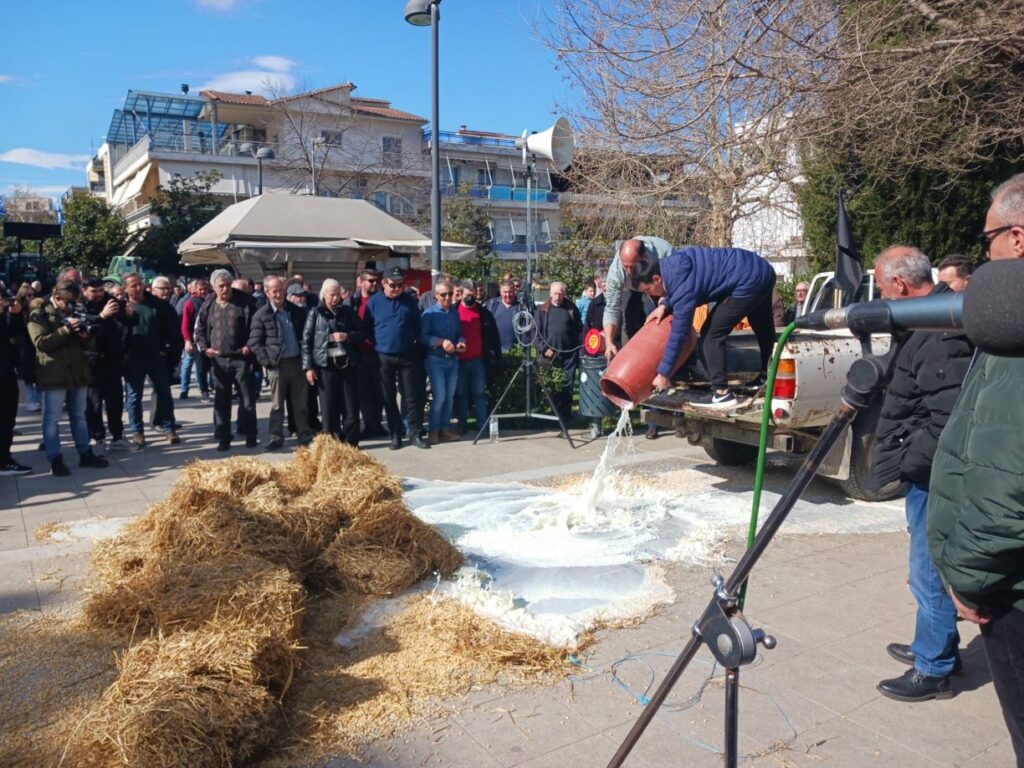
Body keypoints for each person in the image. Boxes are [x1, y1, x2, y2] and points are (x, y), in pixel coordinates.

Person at [928, 173, 1024, 764]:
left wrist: (969, 578)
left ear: (1017, 238)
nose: (983, 251)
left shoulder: (1013, 329)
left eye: (986, 238)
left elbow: (1005, 478)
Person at [869, 246, 973, 703]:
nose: (877, 293)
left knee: (927, 569)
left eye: (878, 284)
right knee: (925, 568)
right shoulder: (929, 321)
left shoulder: (942, 332)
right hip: (925, 471)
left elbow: (946, 417)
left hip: (933, 474)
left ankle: (934, 669)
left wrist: (909, 459)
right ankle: (936, 643)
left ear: (899, 286)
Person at [634, 246, 777, 409]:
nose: (649, 295)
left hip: (747, 281)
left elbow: (678, 334)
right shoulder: (672, 264)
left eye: (648, 290)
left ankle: (722, 394)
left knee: (710, 335)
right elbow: (684, 284)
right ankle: (770, 377)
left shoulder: (682, 288)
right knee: (763, 327)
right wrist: (665, 305)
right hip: (762, 269)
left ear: (657, 278)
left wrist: (663, 373)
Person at [26, 281, 108, 475]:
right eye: (68, 302)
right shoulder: (40, 314)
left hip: (77, 373)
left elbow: (90, 344)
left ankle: (85, 453)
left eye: (74, 302)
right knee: (51, 419)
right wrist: (65, 330)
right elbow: (41, 343)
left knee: (79, 416)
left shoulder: (74, 311)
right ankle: (55, 459)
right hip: (53, 375)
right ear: (57, 298)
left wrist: (84, 335)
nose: (71, 306)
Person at [194, 269, 258, 452]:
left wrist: (249, 346)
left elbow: (256, 327)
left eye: (228, 285)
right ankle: (223, 437)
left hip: (241, 359)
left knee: (247, 400)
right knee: (221, 401)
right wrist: (205, 348)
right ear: (214, 287)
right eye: (221, 286)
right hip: (218, 360)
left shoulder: (246, 302)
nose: (225, 289)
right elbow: (199, 330)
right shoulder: (208, 305)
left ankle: (251, 435)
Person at [248, 276, 312, 450]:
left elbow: (305, 335)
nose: (278, 294)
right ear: (267, 293)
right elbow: (254, 342)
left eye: (281, 290)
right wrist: (267, 362)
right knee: (277, 405)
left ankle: (304, 435)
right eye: (274, 291)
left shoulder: (295, 310)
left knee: (300, 404)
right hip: (277, 365)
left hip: (297, 363)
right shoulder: (262, 315)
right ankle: (276, 437)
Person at [367, 267, 428, 450]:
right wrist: (379, 344)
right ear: (383, 284)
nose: (397, 288)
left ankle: (415, 433)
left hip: (407, 354)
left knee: (411, 396)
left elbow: (418, 325)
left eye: (400, 285)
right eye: (393, 285)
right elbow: (368, 327)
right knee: (389, 398)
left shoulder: (409, 301)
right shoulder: (374, 302)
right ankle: (396, 434)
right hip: (384, 356)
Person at [303, 279, 365, 446]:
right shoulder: (315, 313)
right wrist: (308, 367)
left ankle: (351, 444)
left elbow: (361, 333)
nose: (336, 298)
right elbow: (306, 341)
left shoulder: (347, 311)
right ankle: (332, 446)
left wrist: (347, 336)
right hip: (326, 366)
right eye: (332, 295)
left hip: (347, 364)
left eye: (338, 294)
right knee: (329, 409)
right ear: (324, 295)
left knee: (351, 409)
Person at [121, 273, 179, 447]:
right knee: (133, 396)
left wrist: (165, 348)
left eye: (140, 284)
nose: (138, 288)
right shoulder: (122, 307)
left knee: (164, 393)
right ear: (126, 288)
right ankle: (137, 431)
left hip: (155, 356)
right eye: (133, 285)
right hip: (133, 359)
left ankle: (169, 428)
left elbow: (170, 328)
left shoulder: (157, 305)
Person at [603, 236, 673, 361]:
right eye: (626, 266)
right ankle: (629, 360)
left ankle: (666, 361)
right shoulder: (616, 272)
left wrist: (664, 303)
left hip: (659, 287)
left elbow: (676, 287)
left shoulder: (664, 253)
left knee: (659, 318)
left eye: (632, 266)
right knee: (629, 319)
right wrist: (609, 342)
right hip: (630, 289)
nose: (629, 271)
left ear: (644, 257)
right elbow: (611, 308)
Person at [79, 279, 130, 452]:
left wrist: (129, 314)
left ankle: (118, 435)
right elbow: (84, 326)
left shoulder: (110, 301)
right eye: (94, 291)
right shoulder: (79, 304)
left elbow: (128, 320)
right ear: (85, 290)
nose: (99, 294)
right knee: (93, 403)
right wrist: (101, 316)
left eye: (101, 290)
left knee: (115, 401)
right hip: (91, 361)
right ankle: (97, 436)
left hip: (113, 360)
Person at [534, 281, 582, 435]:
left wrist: (579, 349)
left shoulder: (571, 309)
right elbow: (536, 334)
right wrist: (543, 349)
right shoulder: (542, 310)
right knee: (552, 388)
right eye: (555, 293)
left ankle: (565, 417)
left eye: (560, 293)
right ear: (550, 293)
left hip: (569, 355)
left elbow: (579, 330)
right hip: (550, 356)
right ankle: (553, 417)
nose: (558, 296)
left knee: (567, 387)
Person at [454, 279, 501, 436]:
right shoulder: (453, 311)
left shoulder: (484, 313)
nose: (470, 297)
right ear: (460, 293)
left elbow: (494, 337)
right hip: (459, 361)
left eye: (473, 293)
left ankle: (482, 425)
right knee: (461, 395)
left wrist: (496, 357)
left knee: (479, 394)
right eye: (467, 294)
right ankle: (462, 424)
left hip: (478, 360)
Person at [419, 278, 464, 444]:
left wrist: (461, 342)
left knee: (449, 397)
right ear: (436, 295)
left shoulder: (454, 313)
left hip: (453, 359)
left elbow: (460, 333)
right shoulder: (429, 313)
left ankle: (444, 429)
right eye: (443, 295)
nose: (447, 298)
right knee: (440, 397)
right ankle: (434, 430)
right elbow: (422, 337)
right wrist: (440, 342)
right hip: (435, 359)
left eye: (450, 294)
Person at [346, 268, 385, 437]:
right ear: (361, 282)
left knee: (380, 391)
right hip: (359, 353)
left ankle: (376, 424)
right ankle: (370, 424)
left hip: (379, 352)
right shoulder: (351, 302)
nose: (374, 283)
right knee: (363, 392)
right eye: (370, 280)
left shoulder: (383, 300)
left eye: (376, 281)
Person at [0, 290, 31, 475]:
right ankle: (3, 462)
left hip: (6, 371)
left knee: (7, 418)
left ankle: (4, 457)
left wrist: (16, 314)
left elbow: (14, 334)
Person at [179, 278, 211, 401]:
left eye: (204, 289)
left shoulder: (211, 301)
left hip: (211, 339)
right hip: (196, 340)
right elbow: (185, 324)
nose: (203, 291)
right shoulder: (190, 303)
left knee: (213, 367)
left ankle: (212, 387)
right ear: (195, 290)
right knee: (200, 366)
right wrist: (187, 340)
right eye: (200, 289)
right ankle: (204, 390)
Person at [13, 284, 40, 412]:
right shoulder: (18, 310)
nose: (32, 297)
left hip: (38, 345)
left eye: (33, 294)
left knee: (40, 375)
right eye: (29, 295)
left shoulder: (39, 308)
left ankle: (40, 400)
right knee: (28, 376)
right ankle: (31, 401)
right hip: (25, 346)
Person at [486, 280, 522, 352]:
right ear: (500, 292)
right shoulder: (493, 305)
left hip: (515, 351)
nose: (508, 295)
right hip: (495, 350)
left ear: (515, 292)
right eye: (505, 292)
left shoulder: (521, 307)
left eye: (510, 292)